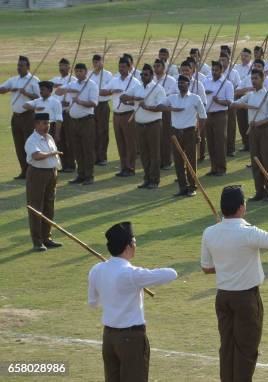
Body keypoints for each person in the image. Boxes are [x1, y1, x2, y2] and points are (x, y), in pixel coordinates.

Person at [201, 185, 268, 382]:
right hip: (246, 298)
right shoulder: (249, 232)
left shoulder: (210, 232)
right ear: (241, 207)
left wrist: (227, 264)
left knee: (227, 347)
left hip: (223, 296)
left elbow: (207, 268)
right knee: (246, 349)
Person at [88, 222, 177, 382]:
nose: (136, 245)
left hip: (108, 338)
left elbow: (94, 303)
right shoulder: (131, 274)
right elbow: (171, 273)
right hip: (131, 340)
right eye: (134, 242)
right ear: (128, 246)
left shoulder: (97, 270)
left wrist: (112, 297)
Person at [231, 70, 268, 201]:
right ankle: (259, 191)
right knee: (255, 160)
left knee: (267, 161)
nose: (253, 81)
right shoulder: (250, 95)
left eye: (256, 78)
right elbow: (234, 104)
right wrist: (244, 105)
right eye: (252, 79)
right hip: (253, 131)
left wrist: (257, 123)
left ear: (262, 79)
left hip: (265, 130)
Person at [159, 75, 207, 197]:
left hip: (189, 132)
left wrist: (198, 132)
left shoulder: (195, 98)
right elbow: (159, 106)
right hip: (176, 133)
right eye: (179, 83)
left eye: (183, 83)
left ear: (188, 84)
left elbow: (203, 117)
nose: (181, 85)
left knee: (191, 160)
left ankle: (192, 187)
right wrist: (171, 109)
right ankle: (182, 187)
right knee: (178, 161)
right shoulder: (172, 97)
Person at [120, 64, 166, 189]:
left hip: (154, 124)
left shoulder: (158, 88)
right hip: (139, 124)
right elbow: (122, 97)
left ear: (151, 75)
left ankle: (154, 180)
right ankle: (146, 178)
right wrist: (134, 98)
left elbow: (161, 107)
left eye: (146, 74)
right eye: (141, 74)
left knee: (154, 153)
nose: (143, 76)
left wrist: (147, 107)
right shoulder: (137, 87)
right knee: (144, 154)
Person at [56, 63, 99, 185]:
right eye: (77, 71)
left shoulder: (92, 85)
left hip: (86, 120)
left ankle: (89, 176)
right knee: (77, 148)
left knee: (87, 149)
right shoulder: (72, 83)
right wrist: (67, 89)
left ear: (86, 72)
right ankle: (80, 174)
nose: (79, 73)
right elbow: (58, 92)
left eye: (81, 71)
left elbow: (94, 103)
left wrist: (80, 101)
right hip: (73, 121)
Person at [25, 113, 62, 252]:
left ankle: (47, 237)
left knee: (49, 206)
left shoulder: (49, 137)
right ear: (36, 124)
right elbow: (36, 156)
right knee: (36, 207)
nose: (47, 126)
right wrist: (51, 154)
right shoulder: (32, 140)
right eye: (43, 123)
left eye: (48, 123)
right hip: (37, 174)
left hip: (51, 173)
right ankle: (37, 241)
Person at [0, 55, 40, 179]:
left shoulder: (34, 80)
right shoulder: (13, 80)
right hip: (16, 117)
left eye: (21, 65)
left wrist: (26, 93)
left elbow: (39, 98)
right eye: (18, 65)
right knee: (19, 145)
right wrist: (11, 88)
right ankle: (24, 170)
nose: (19, 68)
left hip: (28, 116)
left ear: (28, 67)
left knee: (29, 144)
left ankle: (32, 171)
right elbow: (1, 89)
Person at [103, 57, 141, 178]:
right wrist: (112, 91)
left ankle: (130, 168)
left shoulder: (135, 82)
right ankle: (123, 166)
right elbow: (101, 92)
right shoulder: (115, 80)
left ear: (130, 67)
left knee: (130, 142)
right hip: (116, 115)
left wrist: (128, 99)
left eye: (124, 67)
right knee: (120, 142)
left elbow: (139, 98)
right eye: (119, 67)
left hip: (128, 114)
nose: (121, 69)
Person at [203, 60, 234, 175]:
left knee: (220, 142)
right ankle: (213, 167)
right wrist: (204, 92)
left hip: (220, 115)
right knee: (210, 142)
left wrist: (219, 101)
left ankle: (221, 168)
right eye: (212, 70)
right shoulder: (206, 81)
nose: (214, 72)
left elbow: (230, 102)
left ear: (221, 70)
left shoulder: (227, 83)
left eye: (216, 70)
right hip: (208, 114)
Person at [51, 58, 76, 172]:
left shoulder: (73, 80)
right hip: (57, 115)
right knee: (59, 139)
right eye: (60, 65)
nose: (61, 68)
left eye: (64, 66)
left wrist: (68, 103)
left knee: (70, 139)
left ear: (69, 67)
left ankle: (71, 164)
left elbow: (77, 96)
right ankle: (63, 164)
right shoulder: (55, 79)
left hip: (68, 113)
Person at [23, 81, 63, 148]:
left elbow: (59, 120)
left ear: (50, 90)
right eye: (40, 89)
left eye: (43, 89)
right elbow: (25, 105)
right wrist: (35, 108)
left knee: (49, 148)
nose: (40, 91)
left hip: (50, 128)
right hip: (38, 128)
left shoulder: (55, 102)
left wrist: (57, 134)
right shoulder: (37, 101)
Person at [90, 54, 113, 166]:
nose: (96, 64)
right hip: (91, 105)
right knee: (92, 131)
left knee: (103, 131)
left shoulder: (108, 75)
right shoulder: (90, 74)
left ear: (102, 62)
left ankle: (102, 157)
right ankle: (94, 157)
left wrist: (98, 91)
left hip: (103, 105)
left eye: (98, 62)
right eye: (94, 62)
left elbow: (109, 91)